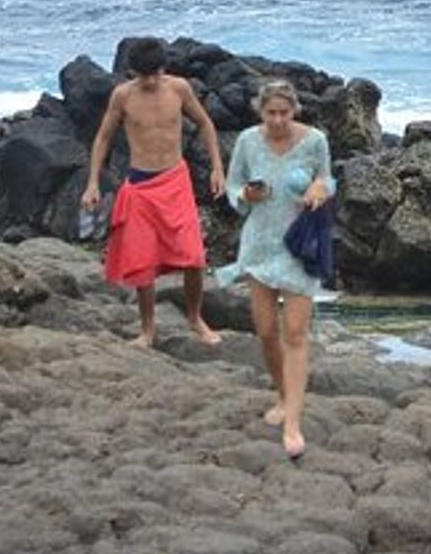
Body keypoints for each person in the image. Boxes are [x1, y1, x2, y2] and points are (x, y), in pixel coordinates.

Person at [81, 37, 227, 348]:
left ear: (163, 68)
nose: (149, 80)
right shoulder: (122, 96)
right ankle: (147, 330)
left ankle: (195, 317)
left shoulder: (179, 89)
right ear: (132, 71)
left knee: (193, 257)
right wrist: (93, 182)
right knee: (142, 260)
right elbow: (103, 138)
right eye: (142, 75)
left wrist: (217, 167)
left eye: (154, 73)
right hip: (140, 186)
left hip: (175, 181)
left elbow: (205, 123)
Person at [217, 78, 334, 461]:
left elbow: (327, 178)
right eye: (272, 113)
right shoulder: (248, 141)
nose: (279, 120)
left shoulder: (315, 140)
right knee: (267, 332)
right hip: (260, 245)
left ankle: (293, 424)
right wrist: (245, 195)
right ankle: (284, 396)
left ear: (294, 110)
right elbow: (234, 189)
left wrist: (320, 188)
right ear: (260, 112)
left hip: (300, 247)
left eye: (285, 113)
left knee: (296, 334)